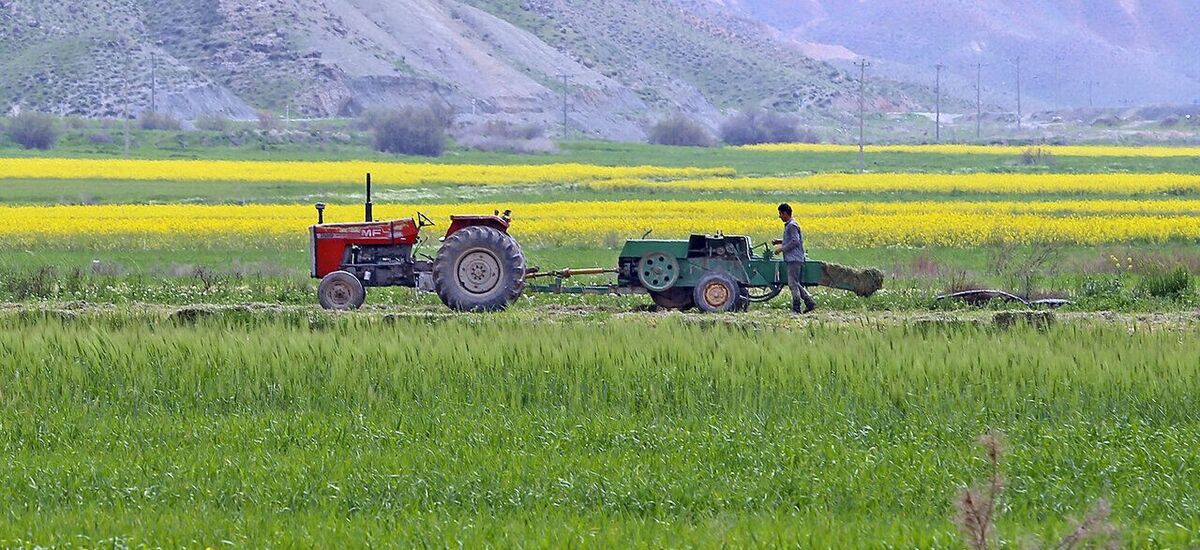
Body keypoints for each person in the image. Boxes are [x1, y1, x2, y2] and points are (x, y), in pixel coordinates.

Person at [775, 203, 817, 314]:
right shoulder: (791, 224)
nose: (779, 216)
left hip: (794, 258)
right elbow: (792, 239)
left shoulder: (791, 225)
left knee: (793, 283)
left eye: (780, 214)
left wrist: (781, 249)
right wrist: (779, 241)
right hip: (794, 258)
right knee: (795, 282)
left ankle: (797, 308)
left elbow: (795, 241)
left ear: (785, 213)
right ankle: (809, 303)